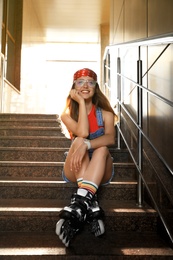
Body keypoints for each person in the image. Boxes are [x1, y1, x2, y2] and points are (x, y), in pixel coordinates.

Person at [55, 68, 117, 247]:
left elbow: (110, 138)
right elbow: (82, 132)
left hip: (101, 166)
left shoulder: (105, 114)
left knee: (102, 148)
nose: (85, 85)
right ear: (73, 87)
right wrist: (81, 103)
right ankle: (89, 203)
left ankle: (79, 206)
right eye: (80, 81)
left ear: (96, 87)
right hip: (75, 166)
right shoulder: (66, 115)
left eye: (90, 82)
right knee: (79, 139)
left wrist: (88, 145)